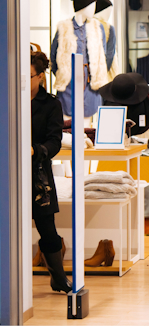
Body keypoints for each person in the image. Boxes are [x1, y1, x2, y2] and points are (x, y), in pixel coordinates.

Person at [31, 50, 71, 293]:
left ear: (40, 76)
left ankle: (58, 277)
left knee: (47, 228)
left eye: (30, 75)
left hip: (38, 175)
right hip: (10, 173)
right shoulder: (10, 99)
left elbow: (55, 141)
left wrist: (37, 151)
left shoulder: (51, 104)